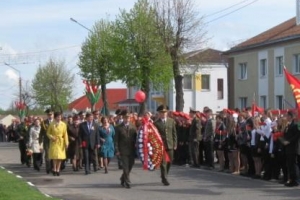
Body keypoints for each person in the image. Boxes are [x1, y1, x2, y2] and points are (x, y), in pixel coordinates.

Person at [154, 105, 177, 186]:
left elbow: (174, 133)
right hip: (161, 145)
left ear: (167, 113)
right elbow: (155, 136)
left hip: (170, 144)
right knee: (163, 163)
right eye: (161, 113)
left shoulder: (171, 121)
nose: (163, 114)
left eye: (164, 112)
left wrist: (175, 143)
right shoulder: (156, 123)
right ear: (159, 114)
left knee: (169, 161)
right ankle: (165, 178)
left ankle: (164, 174)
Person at [114, 110, 137, 189]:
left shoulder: (133, 126)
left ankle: (123, 178)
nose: (127, 119)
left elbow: (135, 138)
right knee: (125, 166)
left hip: (131, 149)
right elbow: (116, 140)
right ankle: (127, 182)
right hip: (123, 150)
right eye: (126, 117)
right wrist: (117, 150)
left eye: (128, 117)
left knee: (131, 165)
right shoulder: (118, 127)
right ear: (123, 118)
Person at [47, 112, 69, 176]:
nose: (59, 118)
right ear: (55, 117)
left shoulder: (63, 124)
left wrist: (66, 143)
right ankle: (54, 168)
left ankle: (58, 169)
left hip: (61, 142)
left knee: (60, 157)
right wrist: (51, 137)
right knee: (54, 157)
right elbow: (48, 133)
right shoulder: (52, 124)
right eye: (58, 117)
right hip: (54, 141)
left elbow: (65, 134)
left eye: (60, 117)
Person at [281, 111, 300, 187]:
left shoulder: (295, 125)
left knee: (294, 164)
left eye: (287, 116)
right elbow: (286, 135)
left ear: (291, 117)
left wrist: (289, 141)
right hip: (288, 148)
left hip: (294, 148)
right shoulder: (288, 125)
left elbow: (297, 136)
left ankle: (296, 180)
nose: (286, 117)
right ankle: (291, 179)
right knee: (289, 165)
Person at [40, 109, 54, 174]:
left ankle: (53, 167)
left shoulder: (56, 122)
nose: (50, 116)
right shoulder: (43, 122)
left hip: (54, 141)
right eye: (49, 115)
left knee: (53, 155)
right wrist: (40, 142)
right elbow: (41, 133)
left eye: (51, 114)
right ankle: (48, 168)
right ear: (47, 115)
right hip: (46, 141)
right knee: (47, 155)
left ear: (53, 115)